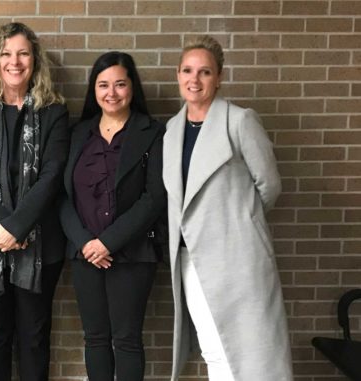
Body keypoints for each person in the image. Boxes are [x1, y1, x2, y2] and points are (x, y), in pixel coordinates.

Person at [163, 35, 293, 381]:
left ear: (219, 77)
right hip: (191, 257)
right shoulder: (172, 130)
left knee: (250, 350)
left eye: (205, 72)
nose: (195, 79)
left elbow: (269, 185)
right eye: (188, 70)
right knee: (212, 346)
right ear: (177, 75)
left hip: (237, 256)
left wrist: (238, 224)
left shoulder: (239, 121)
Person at [0, 22, 69, 381]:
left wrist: (18, 227)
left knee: (34, 338)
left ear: (34, 60)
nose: (14, 61)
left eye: (23, 53)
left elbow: (52, 176)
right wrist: (2, 228)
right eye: (6, 53)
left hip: (40, 244)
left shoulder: (54, 112)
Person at [59, 52, 166, 381]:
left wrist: (108, 242)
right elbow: (63, 196)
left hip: (133, 252)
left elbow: (154, 198)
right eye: (103, 85)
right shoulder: (78, 133)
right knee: (95, 338)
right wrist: (86, 243)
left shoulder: (153, 132)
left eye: (120, 84)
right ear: (93, 90)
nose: (112, 92)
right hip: (85, 253)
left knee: (127, 340)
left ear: (132, 87)